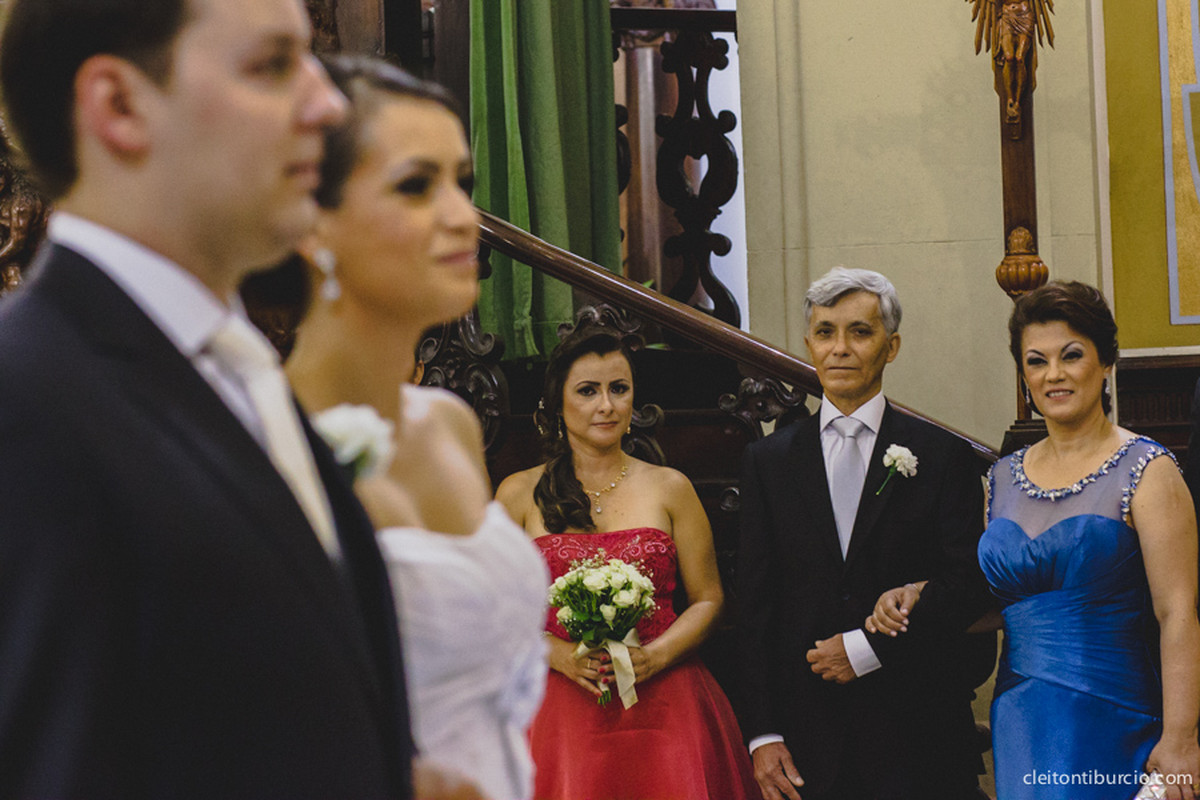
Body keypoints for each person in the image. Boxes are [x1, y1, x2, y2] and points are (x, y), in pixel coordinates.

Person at [0, 0, 417, 797]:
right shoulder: (27, 405)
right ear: (120, 105)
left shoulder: (239, 365)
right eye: (270, 66)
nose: (329, 104)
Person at [278, 55, 549, 800]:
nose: (463, 216)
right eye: (414, 185)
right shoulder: (266, 449)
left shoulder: (451, 425)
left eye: (461, 181)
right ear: (310, 221)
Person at [870, 281, 1200, 799]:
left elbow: (1178, 612)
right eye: (1036, 361)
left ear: (1106, 362)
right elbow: (1008, 604)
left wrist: (1182, 739)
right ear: (1023, 374)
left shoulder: (1148, 469)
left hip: (1116, 715)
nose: (1055, 374)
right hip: (1021, 717)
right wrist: (922, 593)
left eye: (1071, 356)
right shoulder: (1003, 476)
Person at [737, 267, 996, 800]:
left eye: (860, 331)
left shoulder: (943, 456)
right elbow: (756, 607)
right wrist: (762, 733)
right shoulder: (768, 461)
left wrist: (867, 648)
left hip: (917, 729)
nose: (841, 348)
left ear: (891, 345)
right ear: (809, 344)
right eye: (826, 332)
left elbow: (966, 586)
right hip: (808, 737)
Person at [496, 320, 758, 800]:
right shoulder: (518, 494)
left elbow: (709, 599)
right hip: (557, 705)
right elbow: (490, 613)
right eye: (588, 391)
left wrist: (656, 656)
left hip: (667, 698)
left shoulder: (670, 487)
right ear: (557, 403)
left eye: (619, 389)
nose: (606, 405)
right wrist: (556, 655)